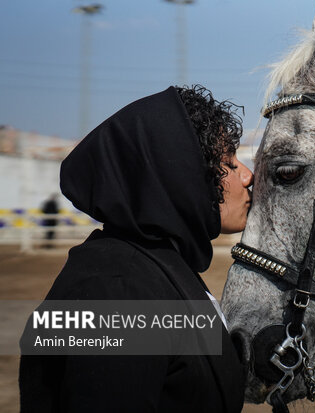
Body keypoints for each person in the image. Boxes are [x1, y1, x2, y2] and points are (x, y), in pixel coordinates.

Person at [19, 85, 253, 413]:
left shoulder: (157, 264)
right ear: (179, 175)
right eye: (228, 162)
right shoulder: (117, 288)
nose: (248, 176)